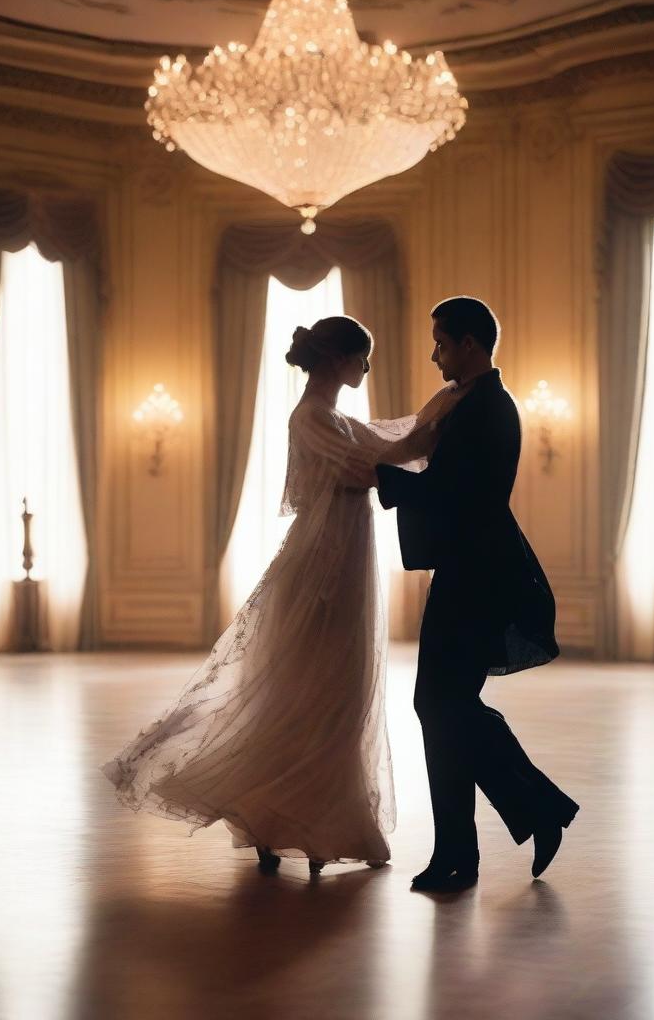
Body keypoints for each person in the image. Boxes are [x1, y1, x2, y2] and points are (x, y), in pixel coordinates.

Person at [102, 315, 464, 874]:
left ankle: (317, 820)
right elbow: (365, 468)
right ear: (339, 360)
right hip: (324, 560)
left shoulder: (335, 417)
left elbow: (398, 447)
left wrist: (442, 410)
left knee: (338, 688)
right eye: (362, 357)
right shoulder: (311, 417)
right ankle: (289, 819)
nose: (367, 368)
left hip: (347, 556)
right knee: (313, 685)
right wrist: (435, 422)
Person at [370, 296, 579, 892]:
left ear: (468, 342)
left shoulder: (489, 407)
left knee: (442, 705)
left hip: (481, 577)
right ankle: (464, 850)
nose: (434, 352)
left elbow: (451, 493)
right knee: (442, 706)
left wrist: (378, 477)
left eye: (440, 341)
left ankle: (521, 818)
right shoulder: (472, 403)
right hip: (468, 572)